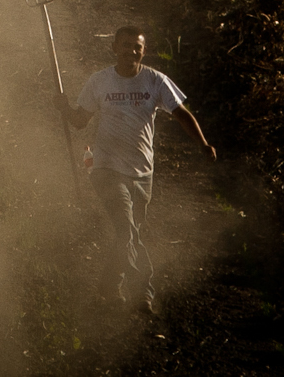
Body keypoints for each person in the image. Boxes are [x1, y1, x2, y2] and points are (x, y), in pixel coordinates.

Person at [66, 25, 214, 311]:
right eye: (125, 45)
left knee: (131, 233)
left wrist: (203, 144)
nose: (131, 50)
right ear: (114, 48)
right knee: (126, 230)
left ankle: (108, 289)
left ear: (144, 50)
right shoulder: (100, 81)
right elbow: (80, 121)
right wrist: (64, 108)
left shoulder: (155, 81)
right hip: (106, 168)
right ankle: (144, 292)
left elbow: (181, 114)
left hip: (143, 170)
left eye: (137, 46)